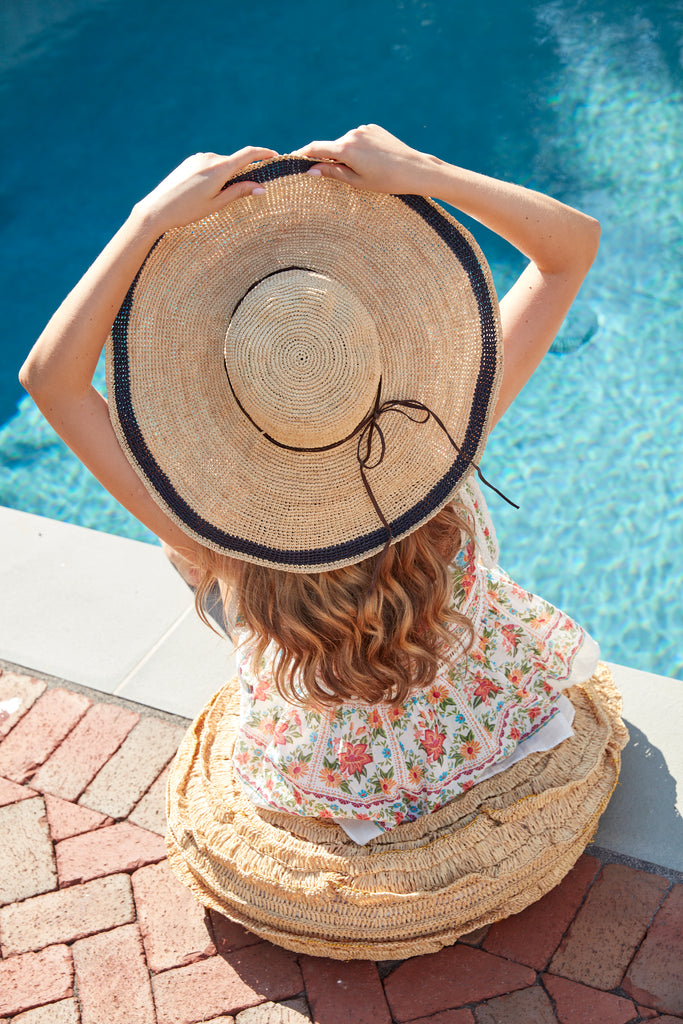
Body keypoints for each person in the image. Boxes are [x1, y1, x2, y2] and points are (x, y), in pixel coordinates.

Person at [20, 125, 626, 956]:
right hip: (497, 719)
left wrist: (145, 221)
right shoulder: (440, 441)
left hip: (335, 786)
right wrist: (421, 172)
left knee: (200, 579)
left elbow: (49, 378)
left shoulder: (216, 529)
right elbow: (568, 248)